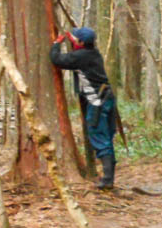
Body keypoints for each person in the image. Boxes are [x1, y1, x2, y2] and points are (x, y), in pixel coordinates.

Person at [50, 27, 117, 189]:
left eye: (76, 39)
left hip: (97, 102)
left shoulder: (81, 57)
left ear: (81, 43)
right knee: (106, 138)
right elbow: (77, 51)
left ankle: (107, 180)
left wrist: (56, 43)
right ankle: (108, 177)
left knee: (100, 138)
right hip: (107, 99)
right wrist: (72, 39)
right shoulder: (93, 53)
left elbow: (57, 60)